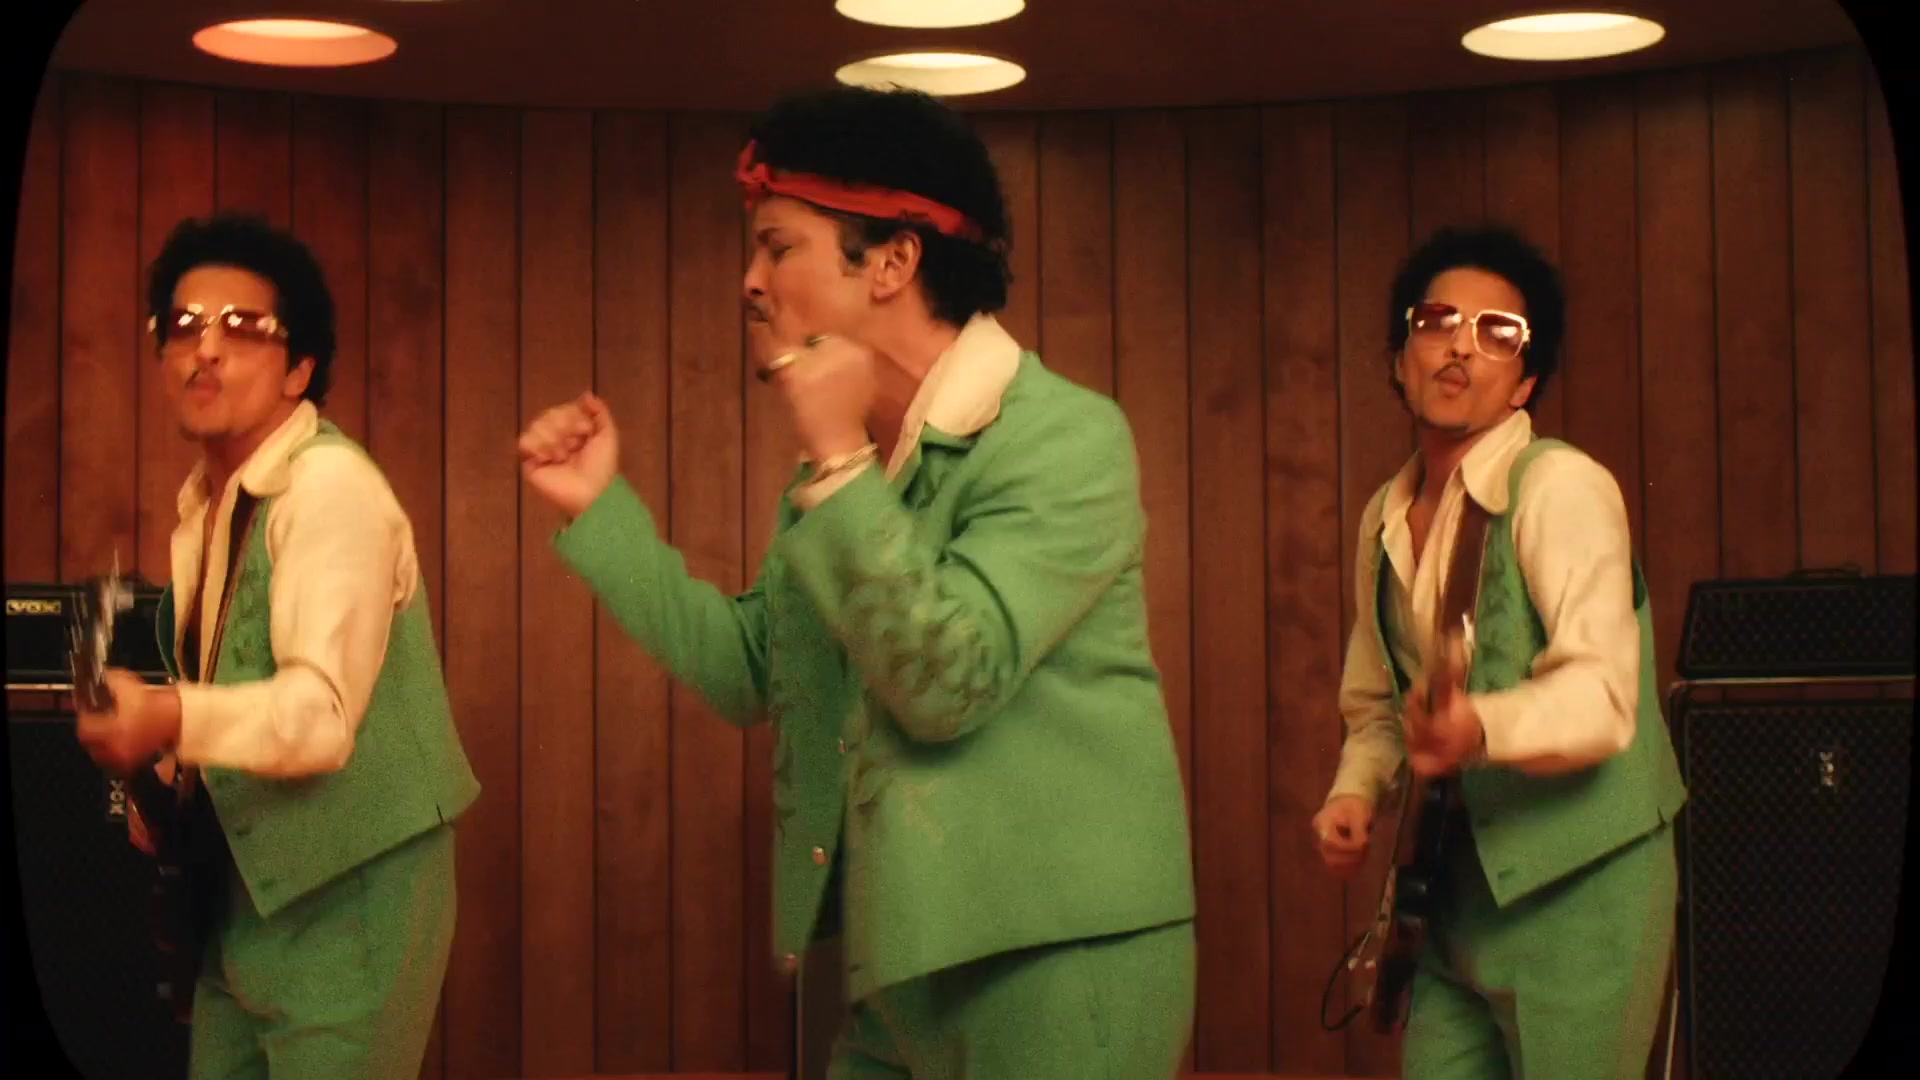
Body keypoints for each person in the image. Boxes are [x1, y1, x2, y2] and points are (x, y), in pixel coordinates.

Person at [518, 86, 1196, 1078]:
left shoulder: (1063, 437)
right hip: (899, 967)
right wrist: (598, 514)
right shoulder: (848, 471)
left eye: (778, 247)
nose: (751, 282)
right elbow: (757, 670)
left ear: (892, 261)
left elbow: (947, 680)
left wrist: (837, 459)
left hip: (1057, 960)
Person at [74, 213, 479, 1079]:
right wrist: (173, 779)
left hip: (352, 900)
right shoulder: (209, 505)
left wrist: (168, 715)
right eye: (183, 325)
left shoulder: (329, 487)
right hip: (243, 904)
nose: (205, 349)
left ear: (300, 369)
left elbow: (320, 716)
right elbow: (238, 689)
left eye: (243, 327)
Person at [1311, 225, 1687, 1079]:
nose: (1459, 347)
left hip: (1585, 887)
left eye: (1497, 333)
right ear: (1399, 358)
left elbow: (1605, 696)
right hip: (1450, 898)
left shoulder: (1560, 485)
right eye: (1437, 321)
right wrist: (1355, 794)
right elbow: (1377, 704)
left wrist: (1477, 727)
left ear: (1524, 382)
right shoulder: (1382, 517)